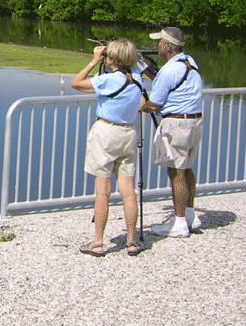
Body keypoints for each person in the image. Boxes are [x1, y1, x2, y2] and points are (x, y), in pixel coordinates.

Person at [72, 39, 144, 257]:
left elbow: (76, 83)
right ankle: (131, 241)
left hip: (106, 133)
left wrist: (94, 61)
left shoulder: (108, 80)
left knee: (102, 192)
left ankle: (98, 242)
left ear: (111, 59)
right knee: (128, 191)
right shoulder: (136, 77)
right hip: (128, 133)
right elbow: (134, 67)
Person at [140, 26, 203, 238]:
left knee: (176, 173)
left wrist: (137, 106)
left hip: (176, 125)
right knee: (187, 170)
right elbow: (169, 84)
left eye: (159, 42)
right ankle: (190, 215)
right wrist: (147, 70)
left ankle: (179, 223)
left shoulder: (168, 71)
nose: (156, 45)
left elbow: (154, 104)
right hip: (193, 122)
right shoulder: (189, 62)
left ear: (168, 45)